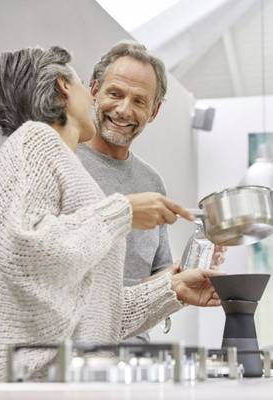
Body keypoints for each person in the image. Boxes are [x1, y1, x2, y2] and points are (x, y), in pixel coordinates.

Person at [0, 45, 222, 382]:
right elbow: (24, 249)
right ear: (66, 85)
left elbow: (92, 314)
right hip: (30, 385)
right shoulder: (34, 140)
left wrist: (173, 289)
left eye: (138, 100)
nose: (117, 108)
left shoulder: (57, 159)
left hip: (66, 379)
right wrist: (122, 213)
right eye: (85, 85)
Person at [77, 41, 226, 342]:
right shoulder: (64, 162)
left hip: (136, 354)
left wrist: (188, 271)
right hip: (73, 354)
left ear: (154, 111)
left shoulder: (152, 182)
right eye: (115, 93)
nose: (123, 110)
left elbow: (154, 281)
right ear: (94, 91)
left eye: (139, 101)